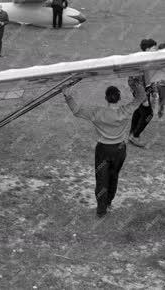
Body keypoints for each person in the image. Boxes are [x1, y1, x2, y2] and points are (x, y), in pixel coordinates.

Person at [62, 85, 136, 217]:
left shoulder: (97, 112)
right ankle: (108, 201)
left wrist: (67, 95)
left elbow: (76, 110)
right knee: (113, 176)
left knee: (102, 179)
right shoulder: (126, 110)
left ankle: (101, 210)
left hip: (103, 150)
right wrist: (137, 85)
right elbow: (141, 98)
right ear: (119, 98)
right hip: (119, 150)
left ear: (106, 98)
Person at [128, 39, 159, 148]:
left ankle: (132, 133)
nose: (156, 50)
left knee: (139, 111)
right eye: (154, 48)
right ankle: (135, 136)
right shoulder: (139, 62)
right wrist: (144, 98)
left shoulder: (150, 60)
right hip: (140, 92)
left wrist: (154, 91)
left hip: (146, 90)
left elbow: (151, 77)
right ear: (147, 49)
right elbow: (135, 82)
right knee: (148, 114)